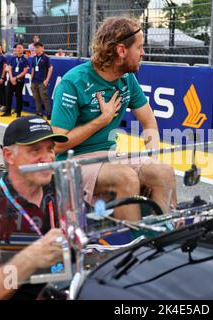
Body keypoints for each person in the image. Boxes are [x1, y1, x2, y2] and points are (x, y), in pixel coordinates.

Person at [51, 16, 176, 221]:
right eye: (139, 47)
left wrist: (151, 153)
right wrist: (101, 120)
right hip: (72, 162)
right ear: (121, 50)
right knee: (125, 178)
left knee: (163, 172)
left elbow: (149, 122)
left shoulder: (127, 79)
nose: (143, 53)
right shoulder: (73, 82)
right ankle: (131, 248)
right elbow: (57, 144)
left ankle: (164, 238)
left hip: (108, 156)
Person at [0, 115, 69, 300]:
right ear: (9, 156)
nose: (48, 158)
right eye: (35, 150)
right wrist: (32, 257)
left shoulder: (63, 190)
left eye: (50, 149)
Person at [1, 43, 29, 117]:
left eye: (20, 48)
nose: (19, 49)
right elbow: (9, 68)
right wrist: (11, 78)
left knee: (18, 96)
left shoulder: (25, 59)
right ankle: (8, 112)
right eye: (17, 48)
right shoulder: (13, 58)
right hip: (11, 79)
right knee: (8, 95)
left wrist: (16, 78)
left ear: (23, 49)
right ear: (16, 49)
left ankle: (18, 113)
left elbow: (25, 71)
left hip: (19, 80)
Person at [31, 42, 53, 120]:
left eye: (38, 47)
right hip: (34, 81)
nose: (36, 49)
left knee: (44, 98)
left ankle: (49, 113)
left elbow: (50, 68)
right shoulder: (34, 58)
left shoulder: (45, 58)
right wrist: (31, 80)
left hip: (42, 81)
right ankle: (39, 112)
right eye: (35, 48)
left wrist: (47, 80)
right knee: (36, 98)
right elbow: (33, 69)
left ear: (42, 48)